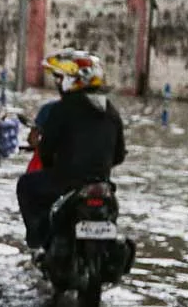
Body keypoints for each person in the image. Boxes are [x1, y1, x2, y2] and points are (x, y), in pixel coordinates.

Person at [16, 56, 127, 249]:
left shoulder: (62, 109)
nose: (58, 82)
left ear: (72, 79)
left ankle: (37, 242)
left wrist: (55, 165)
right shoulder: (112, 110)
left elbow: (46, 151)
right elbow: (119, 155)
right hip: (103, 184)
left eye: (61, 78)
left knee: (26, 184)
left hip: (67, 182)